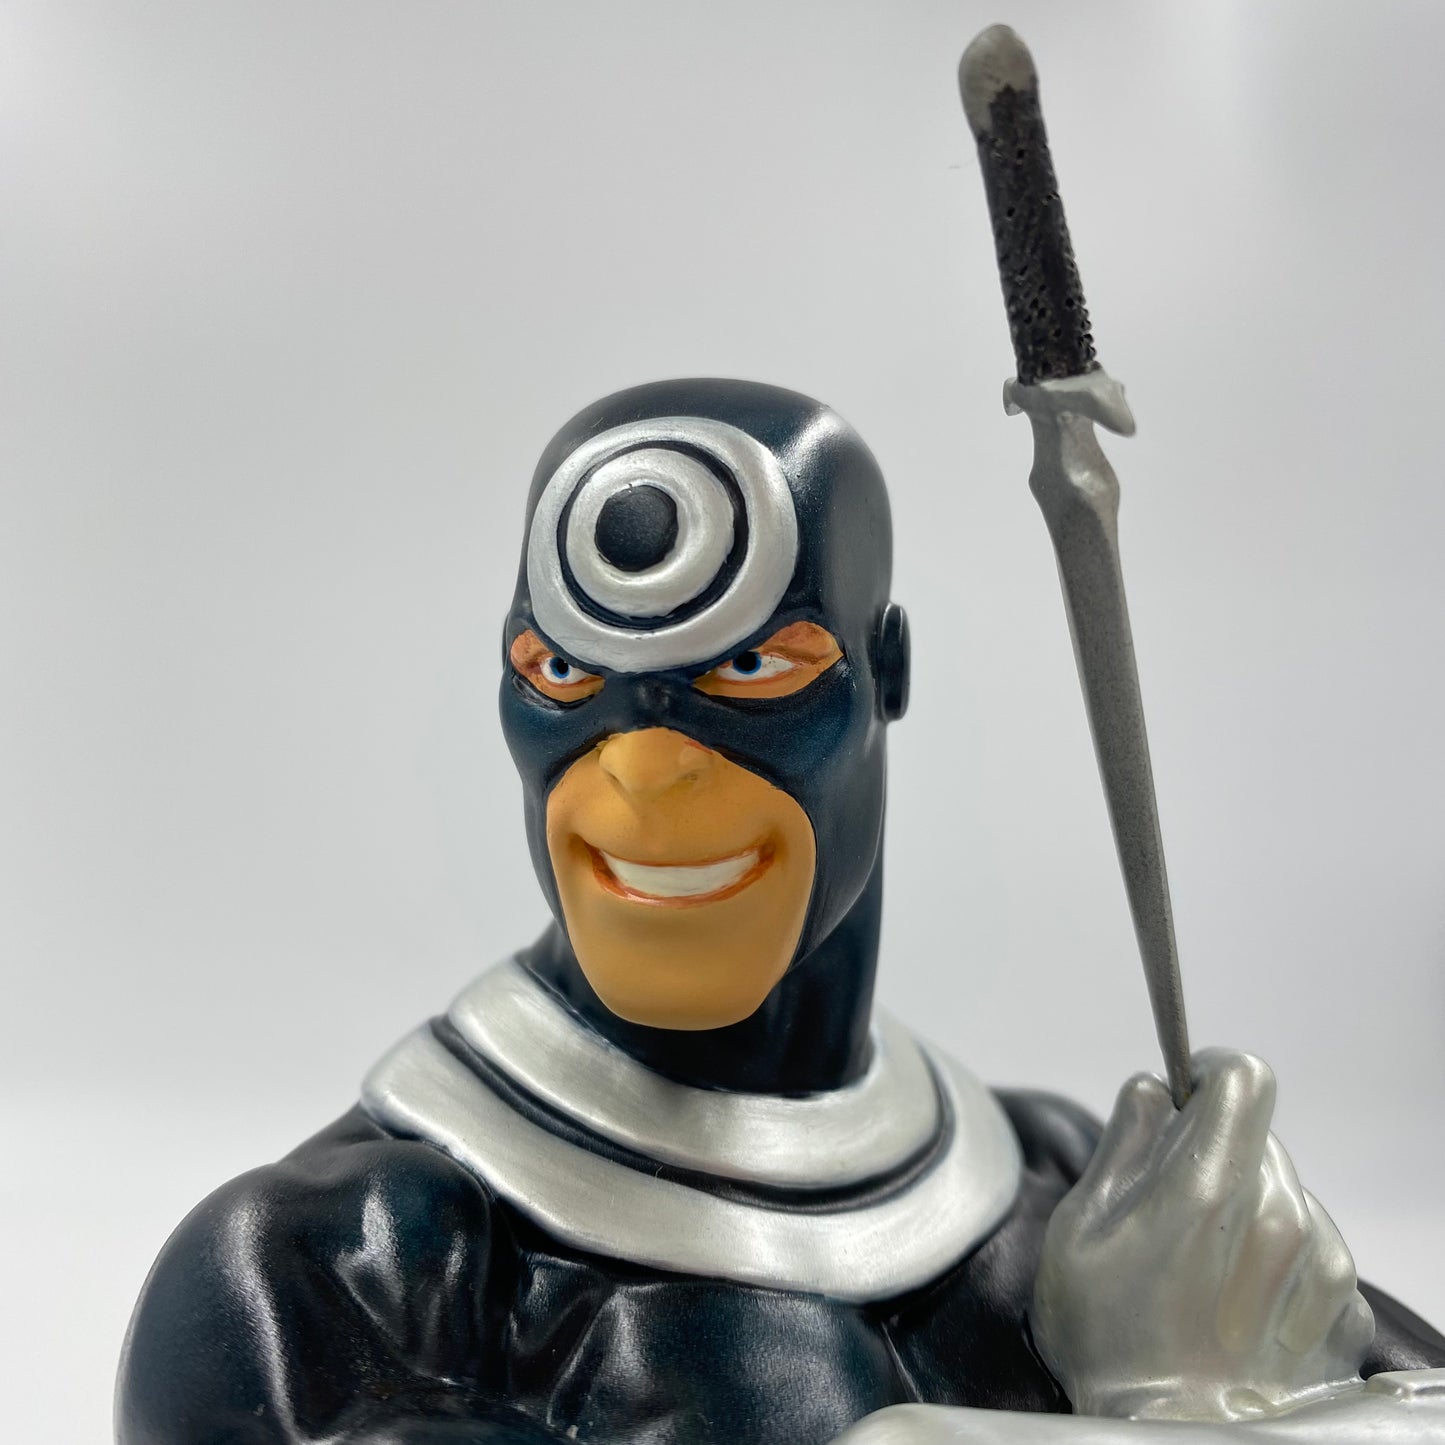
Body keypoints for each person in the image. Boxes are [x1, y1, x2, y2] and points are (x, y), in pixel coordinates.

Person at [116, 380, 1445, 1445]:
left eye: (751, 668)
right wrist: (1174, 1411)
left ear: (885, 673)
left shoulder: (1073, 1193)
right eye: (564, 675)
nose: (644, 768)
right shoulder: (332, 1283)